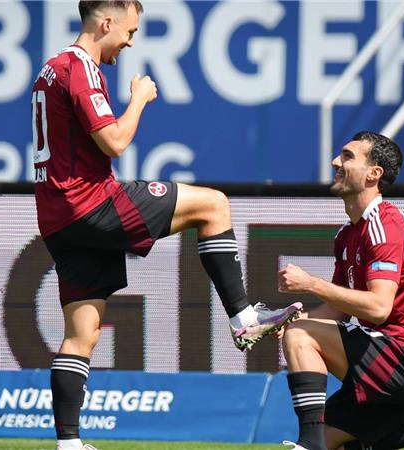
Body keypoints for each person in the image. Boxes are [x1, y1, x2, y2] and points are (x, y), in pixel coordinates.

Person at [31, 2, 302, 449]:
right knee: (213, 205)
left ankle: (68, 443)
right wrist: (138, 99)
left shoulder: (49, 70)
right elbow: (114, 141)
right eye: (129, 30)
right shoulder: (79, 67)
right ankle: (243, 318)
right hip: (90, 202)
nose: (131, 41)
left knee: (82, 335)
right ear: (106, 22)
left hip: (58, 218)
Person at [277, 132, 404, 450]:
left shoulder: (383, 227)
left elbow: (378, 308)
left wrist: (311, 285)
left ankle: (308, 445)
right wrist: (296, 319)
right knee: (337, 443)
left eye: (347, 156)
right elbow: (339, 309)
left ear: (374, 173)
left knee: (301, 337)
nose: (335, 162)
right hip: (385, 364)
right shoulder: (348, 234)